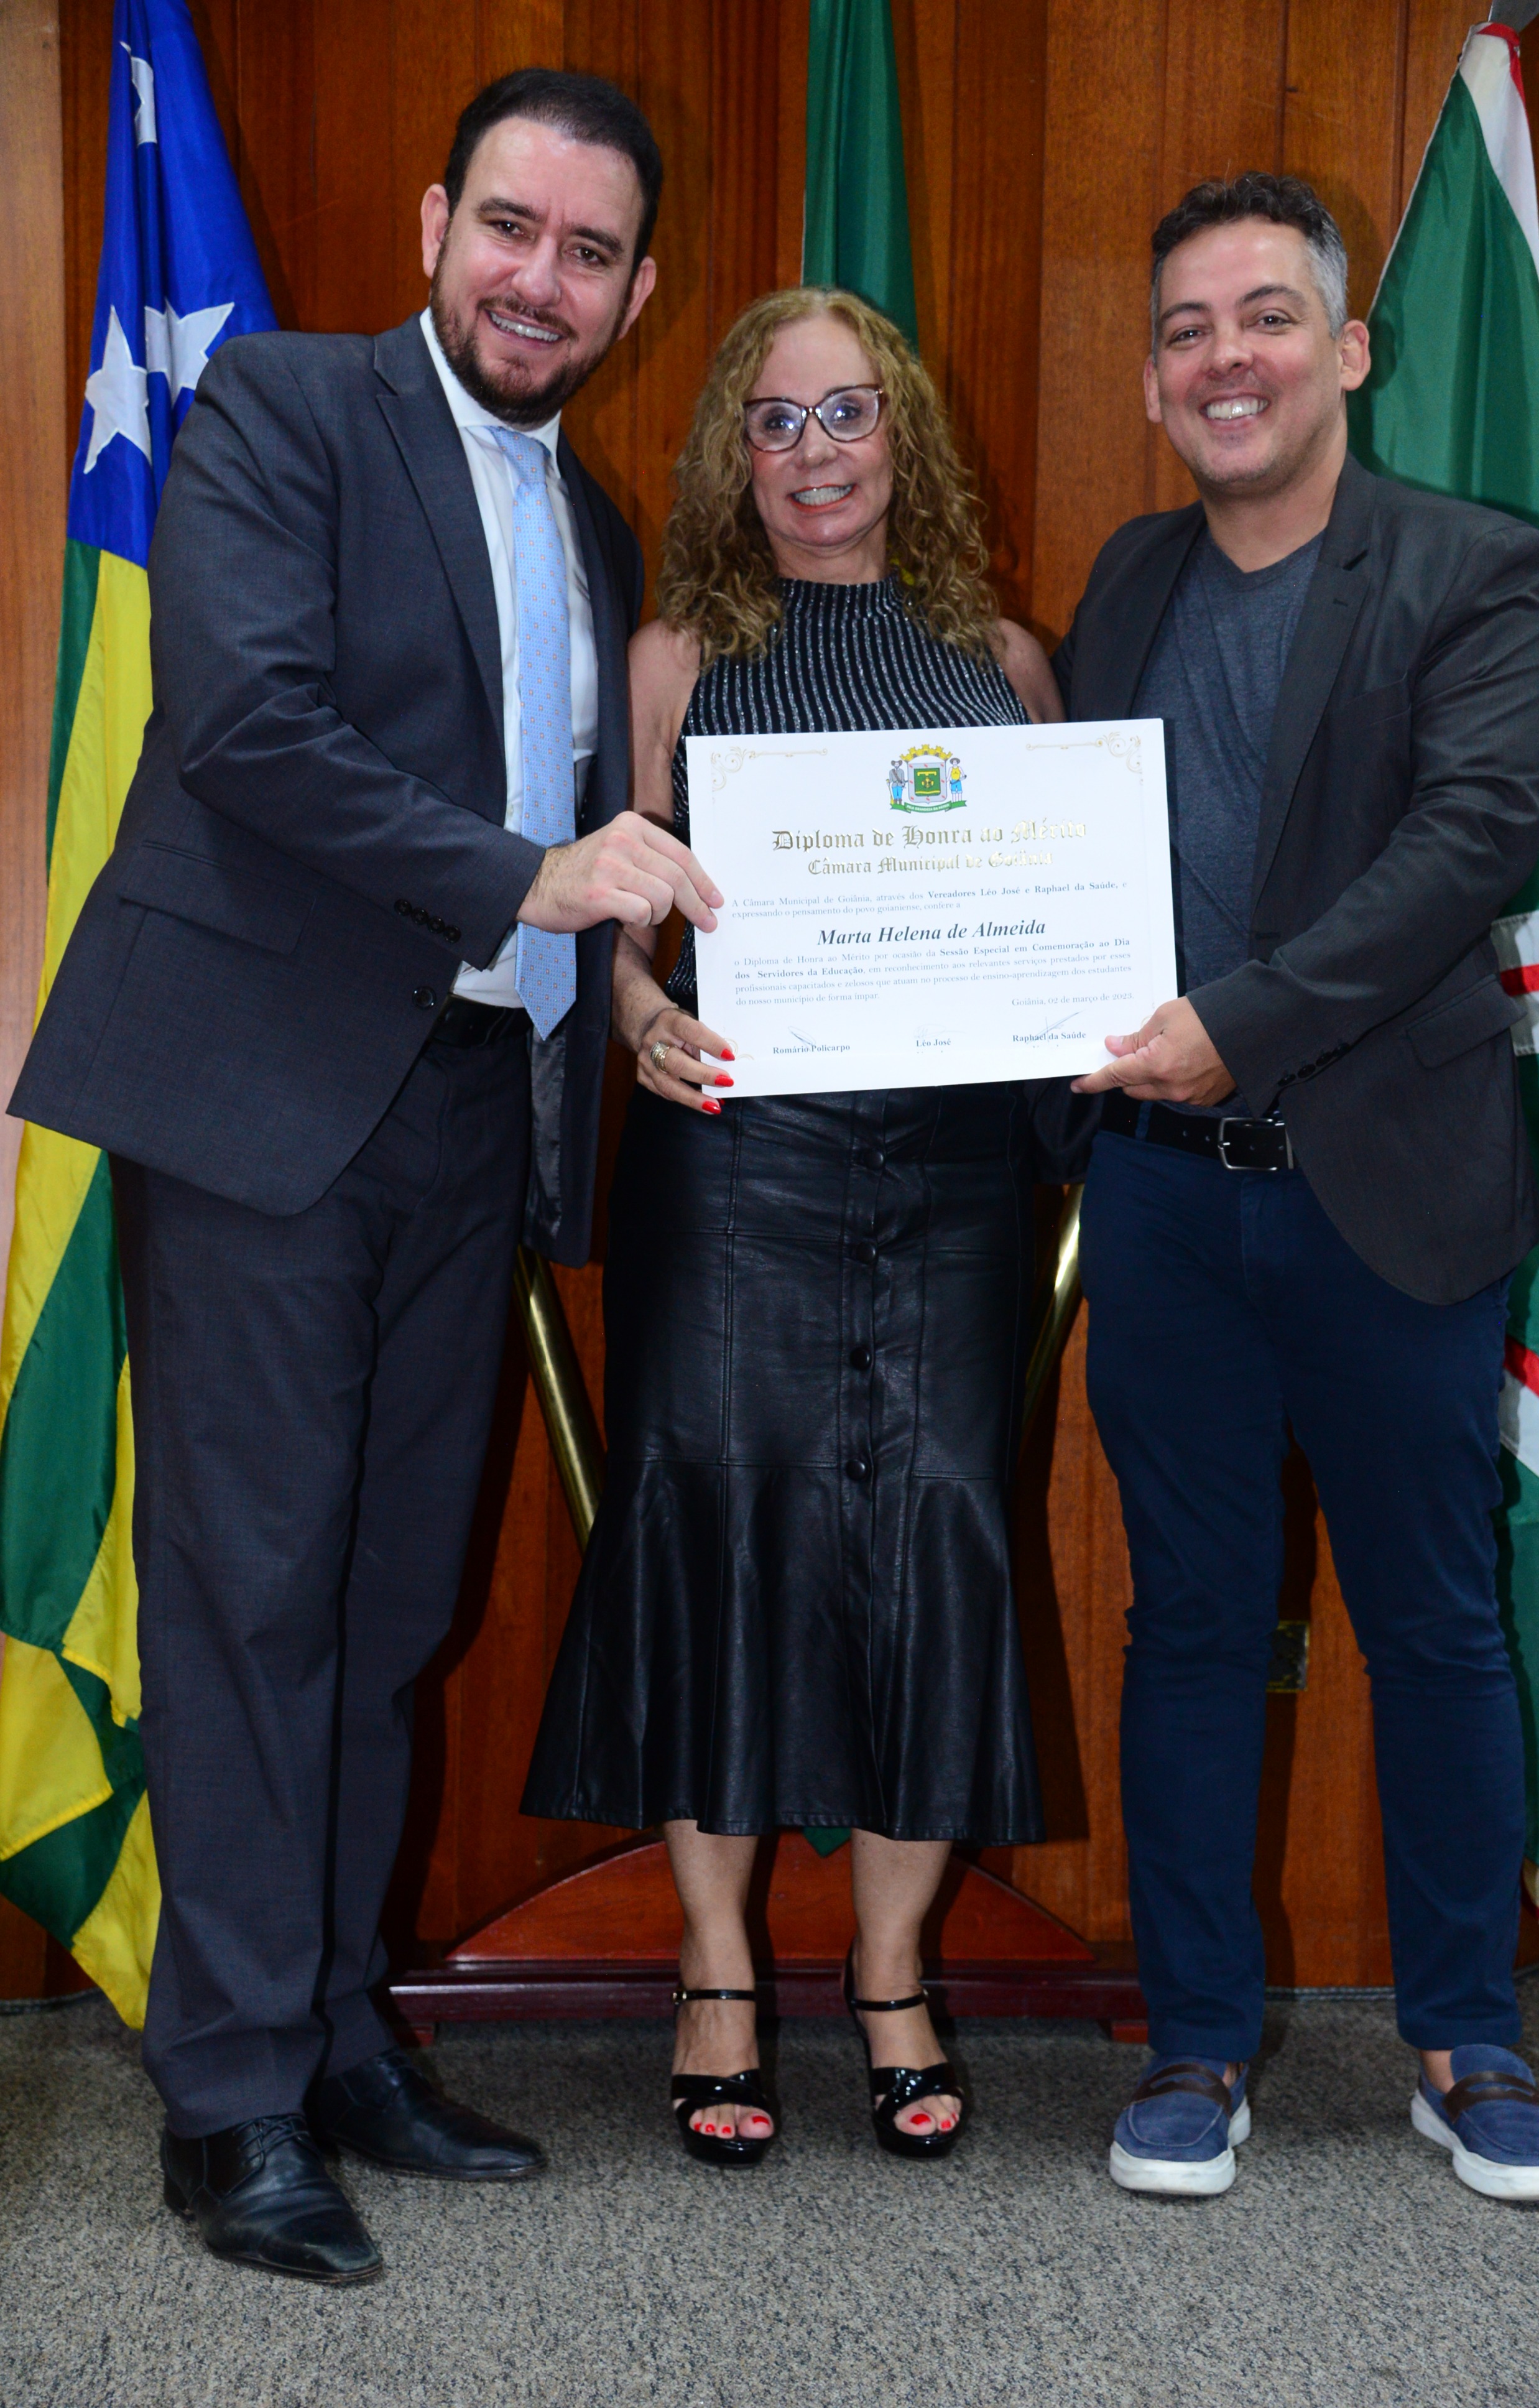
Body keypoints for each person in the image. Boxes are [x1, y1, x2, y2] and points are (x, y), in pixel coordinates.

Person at [10, 69, 722, 2284]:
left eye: (588, 252)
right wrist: (533, 880)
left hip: (472, 1112)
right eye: (510, 226)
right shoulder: (288, 410)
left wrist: (619, 989)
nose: (539, 279)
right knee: (251, 1601)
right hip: (266, 1105)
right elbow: (247, 725)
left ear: (634, 293)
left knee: (393, 1605)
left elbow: (582, 848)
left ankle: (333, 2042)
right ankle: (227, 2101)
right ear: (435, 222)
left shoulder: (596, 525)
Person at [1055, 174, 1539, 2204]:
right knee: (1191, 1623)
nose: (1227, 359)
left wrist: (1240, 1022)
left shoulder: (1471, 565)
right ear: (1156, 379)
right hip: (1165, 1205)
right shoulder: (1126, 579)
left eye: (1266, 317)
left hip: (1391, 1192)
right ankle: (1196, 2044)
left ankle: (1467, 2038)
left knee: (1434, 1624)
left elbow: (1474, 841)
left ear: (1347, 348)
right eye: (1186, 329)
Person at [524, 286, 1066, 2165]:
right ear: (731, 456)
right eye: (776, 421)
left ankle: (894, 1972)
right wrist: (638, 1018)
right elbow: (620, 929)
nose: (815, 452)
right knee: (712, 1521)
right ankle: (718, 1970)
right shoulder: (675, 656)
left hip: (954, 1174)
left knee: (942, 1526)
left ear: (903, 433)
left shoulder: (1003, 659)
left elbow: (1060, 914)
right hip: (734, 1156)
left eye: (847, 414)